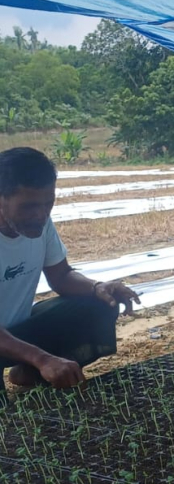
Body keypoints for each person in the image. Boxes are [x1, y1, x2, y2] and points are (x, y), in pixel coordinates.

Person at [0, 147, 140, 395]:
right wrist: (43, 358)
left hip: (13, 332)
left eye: (48, 203)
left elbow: (61, 276)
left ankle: (27, 372)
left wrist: (98, 287)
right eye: (29, 206)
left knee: (97, 303)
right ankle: (36, 365)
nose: (41, 215)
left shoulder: (42, 224)